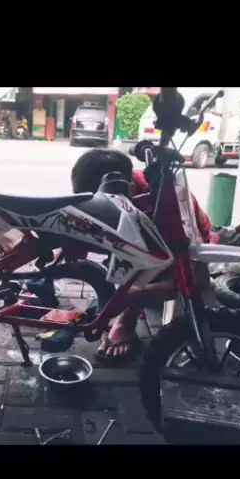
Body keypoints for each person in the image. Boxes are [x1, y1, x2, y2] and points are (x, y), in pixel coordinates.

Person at [71, 148, 212, 362]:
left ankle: (127, 320)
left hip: (175, 246)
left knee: (134, 273)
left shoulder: (168, 205)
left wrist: (133, 296)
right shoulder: (110, 191)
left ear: (129, 189)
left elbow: (199, 279)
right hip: (135, 231)